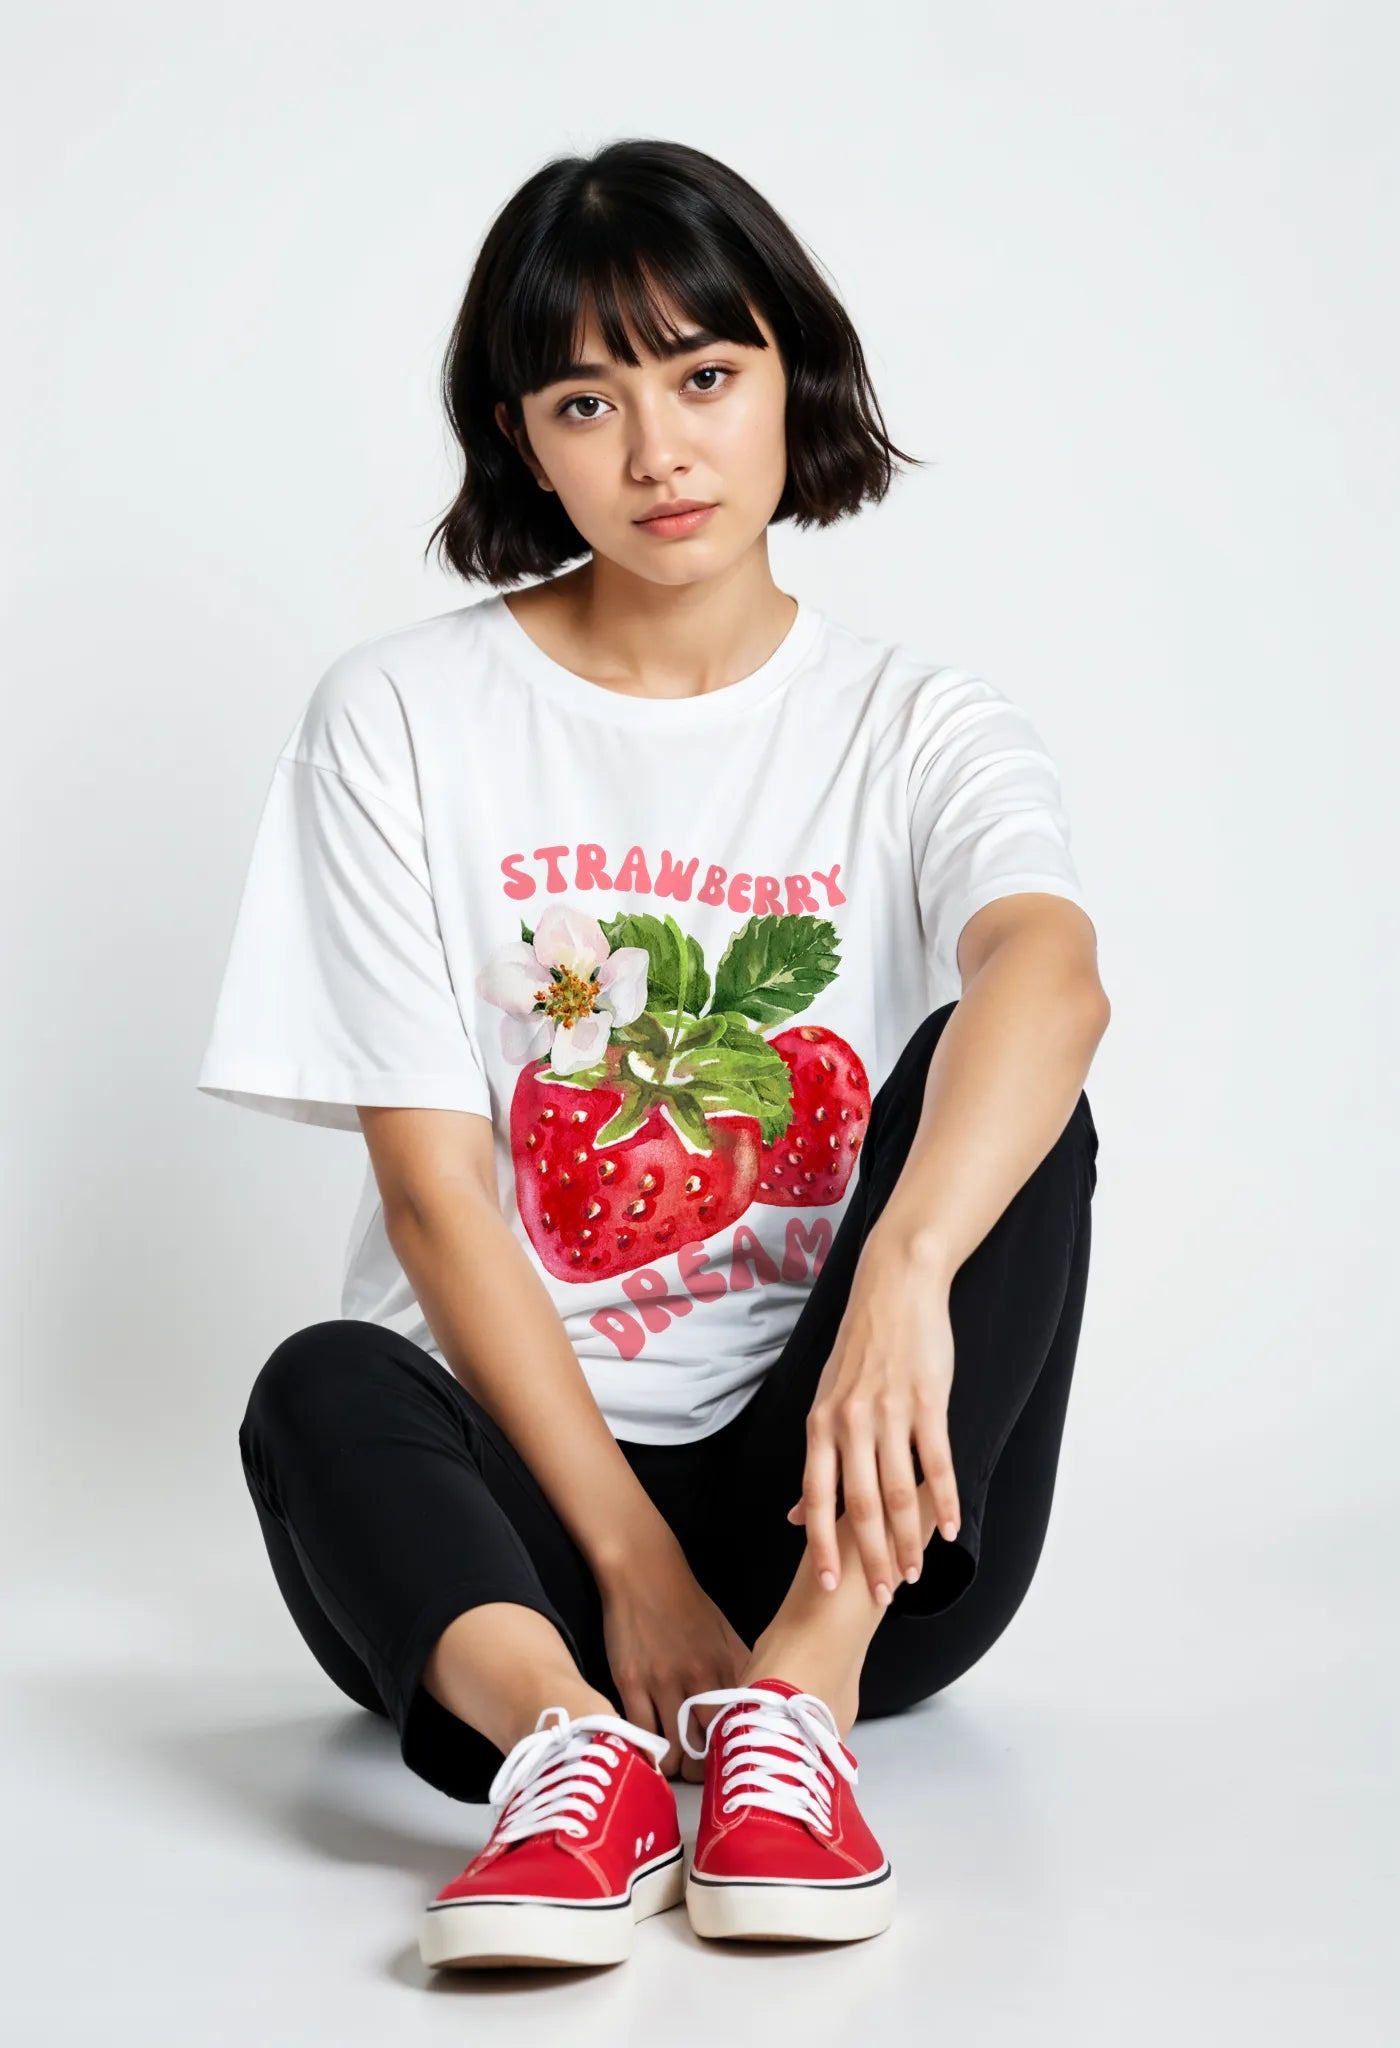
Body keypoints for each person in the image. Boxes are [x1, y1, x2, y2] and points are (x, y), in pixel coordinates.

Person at [198, 136, 1108, 1971]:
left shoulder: (917, 723)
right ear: (523, 441)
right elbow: (435, 1196)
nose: (658, 452)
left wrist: (905, 1276)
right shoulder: (400, 716)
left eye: (703, 376)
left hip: (855, 1514)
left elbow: (1053, 972)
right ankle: (570, 1761)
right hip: (516, 1543)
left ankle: (795, 1719)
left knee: (1013, 1095)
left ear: (792, 375)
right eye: (586, 402)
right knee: (321, 1381)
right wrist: (630, 1570)